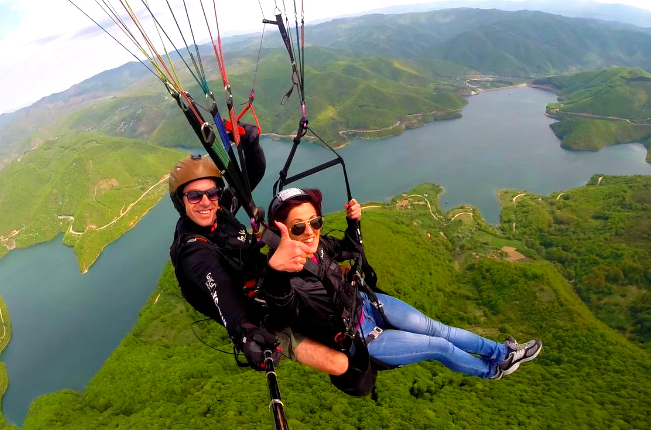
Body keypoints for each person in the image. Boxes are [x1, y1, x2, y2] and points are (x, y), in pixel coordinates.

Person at [261, 187, 542, 386]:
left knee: (439, 329)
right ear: (281, 230)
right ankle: (490, 372)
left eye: (315, 221)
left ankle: (502, 354)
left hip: (368, 304)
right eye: (297, 227)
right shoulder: (284, 276)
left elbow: (351, 249)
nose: (310, 231)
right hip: (362, 339)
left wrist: (353, 222)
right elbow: (284, 311)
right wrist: (276, 270)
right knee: (439, 346)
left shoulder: (320, 245)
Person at [168, 126, 347, 375]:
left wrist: (251, 145)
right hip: (258, 315)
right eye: (195, 196)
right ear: (180, 201)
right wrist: (245, 332)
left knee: (336, 287)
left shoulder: (221, 212)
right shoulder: (193, 252)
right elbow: (220, 288)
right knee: (339, 365)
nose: (207, 202)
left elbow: (248, 178)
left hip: (273, 279)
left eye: (212, 193)